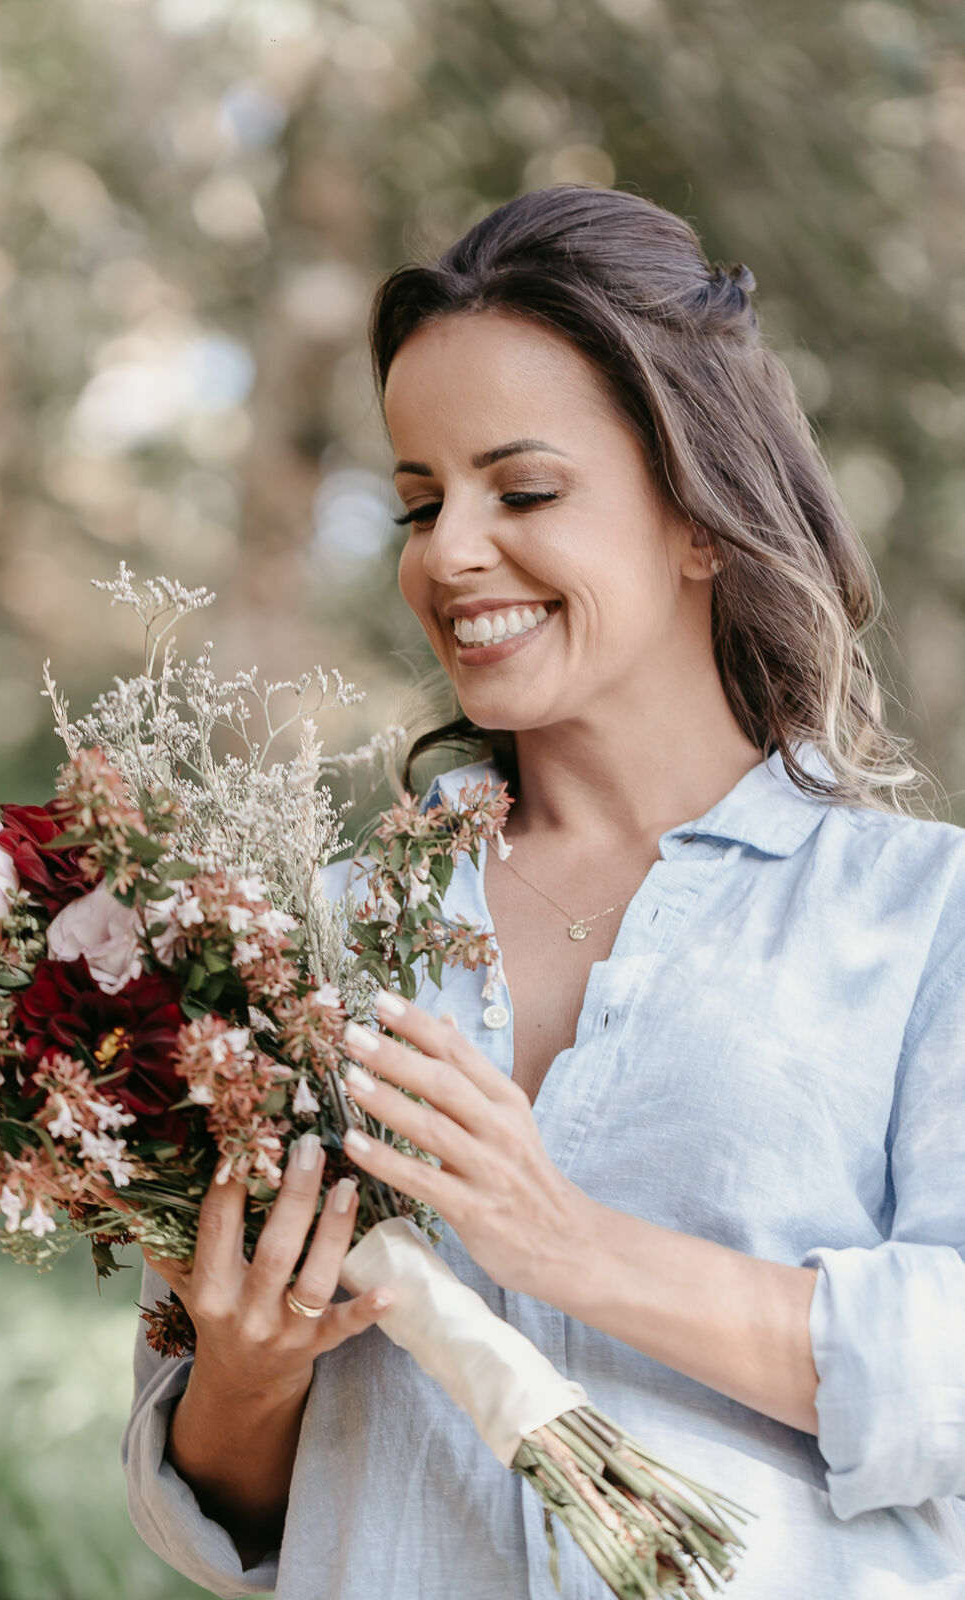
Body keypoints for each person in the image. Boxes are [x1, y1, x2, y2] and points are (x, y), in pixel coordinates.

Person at [122, 185, 965, 1599]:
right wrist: (248, 1378)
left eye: (523, 491)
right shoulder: (310, 938)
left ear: (703, 516)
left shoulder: (920, 918)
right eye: (417, 500)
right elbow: (213, 1502)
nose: (449, 552)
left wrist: (568, 1245)